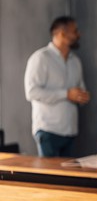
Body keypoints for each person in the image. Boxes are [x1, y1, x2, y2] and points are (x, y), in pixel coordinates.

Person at [24, 16, 90, 157]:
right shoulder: (41, 58)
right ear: (62, 34)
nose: (79, 34)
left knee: (67, 178)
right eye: (75, 31)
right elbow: (31, 92)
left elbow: (80, 89)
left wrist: (82, 96)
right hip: (48, 130)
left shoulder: (75, 61)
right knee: (50, 178)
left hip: (70, 131)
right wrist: (66, 94)